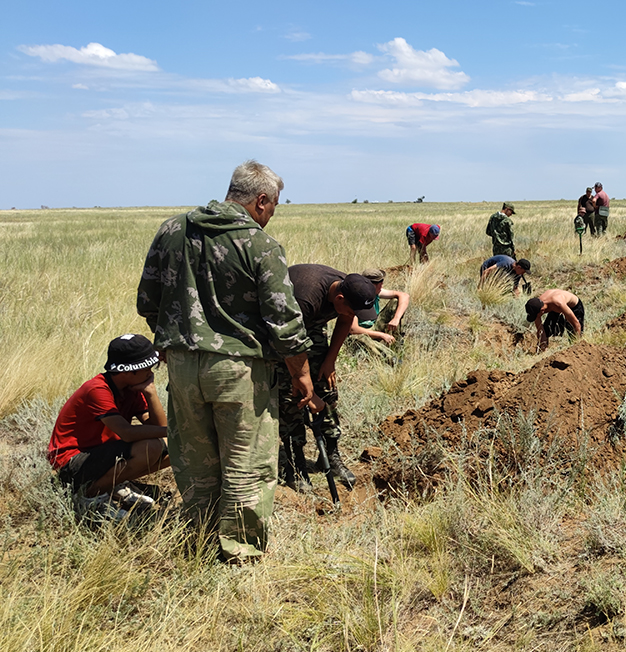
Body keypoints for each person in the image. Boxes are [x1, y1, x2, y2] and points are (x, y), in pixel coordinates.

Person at [137, 159, 315, 563]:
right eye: (272, 208)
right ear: (261, 200)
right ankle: (239, 552)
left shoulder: (171, 230)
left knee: (196, 461)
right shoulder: (259, 244)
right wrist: (301, 374)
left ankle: (197, 541)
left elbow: (147, 301)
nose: (269, 216)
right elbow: (284, 321)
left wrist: (176, 339)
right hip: (239, 372)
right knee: (245, 462)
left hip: (181, 368)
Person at [277, 265, 378, 493]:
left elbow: (345, 320)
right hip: (281, 334)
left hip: (311, 326)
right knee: (292, 396)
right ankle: (296, 463)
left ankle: (330, 457)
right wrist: (306, 388)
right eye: (351, 310)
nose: (354, 316)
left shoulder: (349, 289)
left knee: (327, 389)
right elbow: (288, 342)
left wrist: (329, 360)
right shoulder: (306, 297)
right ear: (339, 298)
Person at [47, 334, 170, 515]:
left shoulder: (132, 389)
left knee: (174, 448)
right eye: (148, 367)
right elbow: (126, 432)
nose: (151, 372)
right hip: (70, 461)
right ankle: (88, 496)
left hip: (102, 454)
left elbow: (158, 427)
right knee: (151, 447)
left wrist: (151, 392)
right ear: (128, 371)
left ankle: (111, 484)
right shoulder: (97, 389)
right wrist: (173, 431)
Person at [350, 268, 410, 344]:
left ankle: (396, 342)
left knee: (395, 301)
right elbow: (353, 329)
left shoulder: (377, 292)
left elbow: (404, 296)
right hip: (362, 332)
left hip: (375, 325)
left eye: (382, 281)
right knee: (362, 340)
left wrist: (396, 318)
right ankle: (388, 354)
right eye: (379, 283)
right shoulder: (355, 297)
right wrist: (382, 335)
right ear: (370, 285)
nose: (382, 285)